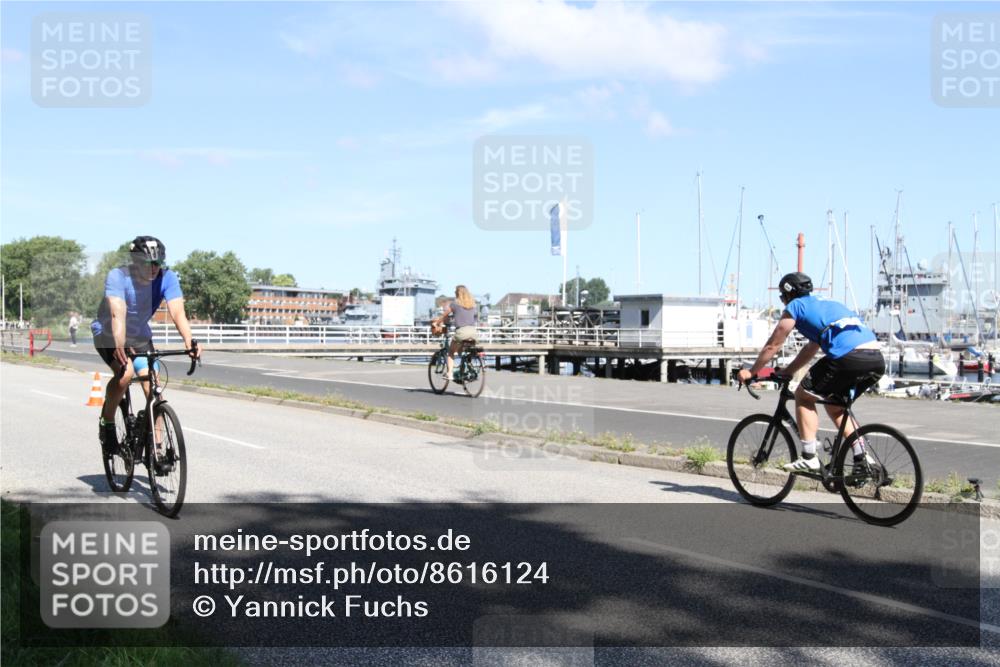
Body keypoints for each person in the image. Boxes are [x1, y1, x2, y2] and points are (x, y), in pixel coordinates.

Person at [736, 272, 883, 475]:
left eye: (781, 296)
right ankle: (862, 459)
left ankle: (809, 457)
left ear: (789, 294)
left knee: (803, 395)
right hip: (875, 359)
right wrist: (788, 371)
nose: (782, 301)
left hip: (847, 357)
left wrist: (751, 372)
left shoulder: (796, 306)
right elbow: (810, 349)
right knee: (835, 405)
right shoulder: (827, 305)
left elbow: (773, 344)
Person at [91, 236, 201, 458]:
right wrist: (119, 343)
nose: (153, 268)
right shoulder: (118, 276)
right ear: (134, 262)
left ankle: (156, 449)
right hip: (109, 333)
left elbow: (177, 312)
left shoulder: (168, 278)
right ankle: (108, 423)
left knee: (154, 389)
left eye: (157, 263)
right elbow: (117, 313)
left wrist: (189, 341)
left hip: (140, 336)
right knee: (125, 374)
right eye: (147, 263)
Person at [431, 285, 478, 379]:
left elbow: (445, 315)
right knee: (462, 351)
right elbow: (475, 318)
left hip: (462, 332)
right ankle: (468, 368)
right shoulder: (473, 304)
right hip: (473, 332)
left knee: (451, 351)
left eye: (455, 292)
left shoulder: (455, 304)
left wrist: (437, 323)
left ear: (458, 293)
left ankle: (449, 373)